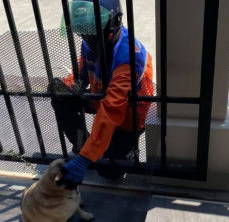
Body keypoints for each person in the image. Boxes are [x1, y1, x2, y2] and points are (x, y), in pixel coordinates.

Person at [50, 0, 154, 189]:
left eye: (92, 32)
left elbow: (112, 108)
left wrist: (84, 160)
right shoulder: (91, 42)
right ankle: (82, 145)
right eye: (83, 32)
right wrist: (69, 86)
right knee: (61, 98)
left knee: (109, 170)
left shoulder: (128, 57)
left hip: (127, 115)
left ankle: (129, 148)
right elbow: (82, 73)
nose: (87, 38)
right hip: (100, 98)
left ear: (113, 23)